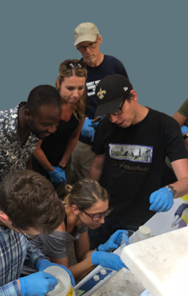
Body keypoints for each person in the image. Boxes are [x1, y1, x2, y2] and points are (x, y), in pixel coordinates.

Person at [89, 74, 188, 248]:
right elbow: (97, 166)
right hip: (104, 211)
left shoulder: (165, 126)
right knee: (96, 257)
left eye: (117, 111)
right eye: (108, 115)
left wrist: (170, 190)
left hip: (139, 215)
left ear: (133, 97)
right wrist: (91, 198)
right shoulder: (106, 126)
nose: (114, 119)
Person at [0, 85, 62, 203]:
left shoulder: (36, 127)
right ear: (28, 114)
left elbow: (26, 158)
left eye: (56, 123)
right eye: (46, 125)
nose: (52, 130)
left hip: (9, 198)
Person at [31, 179, 127, 282]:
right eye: (97, 215)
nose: (102, 220)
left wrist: (102, 249)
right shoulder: (55, 230)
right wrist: (94, 259)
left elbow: (82, 255)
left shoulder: (83, 216)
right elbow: (62, 276)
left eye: (105, 213)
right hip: (34, 276)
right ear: (75, 209)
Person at [71, 22, 129, 183]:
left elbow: (127, 98)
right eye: (83, 47)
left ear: (100, 40)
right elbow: (66, 104)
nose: (88, 51)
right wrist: (80, 123)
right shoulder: (75, 72)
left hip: (115, 134)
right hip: (86, 140)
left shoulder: (114, 65)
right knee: (88, 185)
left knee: (116, 180)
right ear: (77, 48)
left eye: (91, 45)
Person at [32, 60, 87, 188]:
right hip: (40, 163)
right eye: (70, 88)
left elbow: (74, 136)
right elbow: (35, 147)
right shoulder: (46, 106)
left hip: (62, 162)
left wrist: (62, 164)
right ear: (58, 84)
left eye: (81, 88)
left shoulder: (81, 105)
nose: (76, 94)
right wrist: (50, 170)